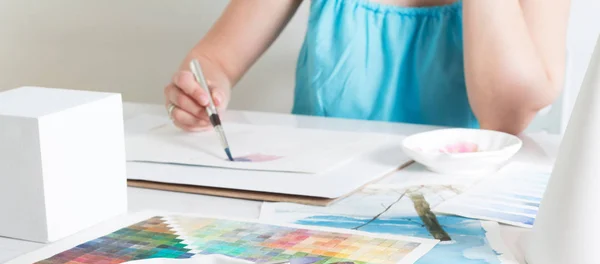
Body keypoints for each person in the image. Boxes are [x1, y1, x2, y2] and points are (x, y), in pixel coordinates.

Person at [164, 0, 570, 135]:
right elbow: (213, 61)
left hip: (466, 221)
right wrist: (201, 92)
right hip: (318, 209)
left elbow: (504, 117)